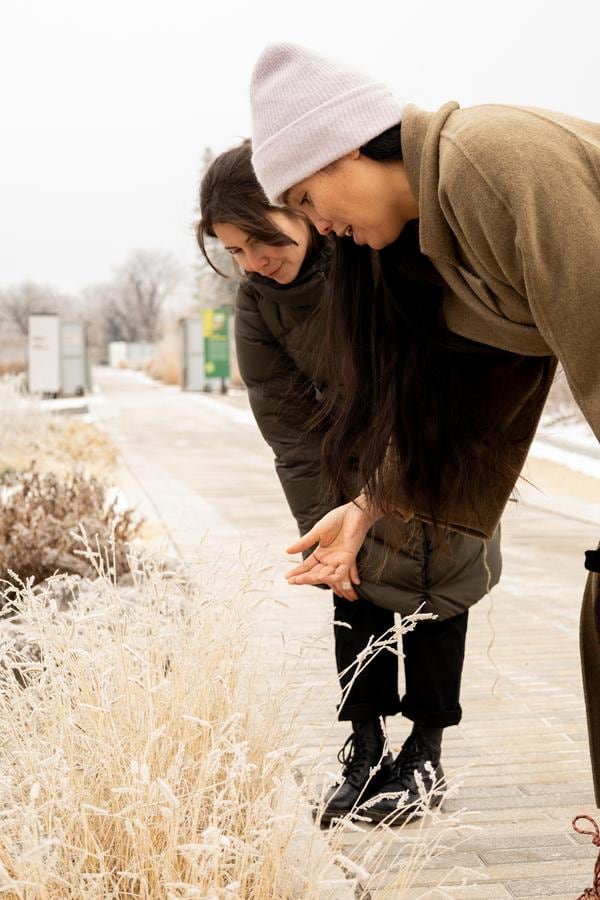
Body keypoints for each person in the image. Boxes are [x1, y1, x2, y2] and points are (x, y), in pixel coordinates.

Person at [248, 43, 600, 802]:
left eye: (306, 199)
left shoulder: (487, 160)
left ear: (343, 149)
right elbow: (467, 407)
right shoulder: (440, 254)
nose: (317, 225)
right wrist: (370, 506)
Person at [197, 140, 503, 824]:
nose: (254, 261)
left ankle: (424, 754)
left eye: (260, 238)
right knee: (353, 586)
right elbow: (290, 431)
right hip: (344, 464)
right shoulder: (259, 306)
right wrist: (329, 527)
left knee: (437, 588)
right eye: (234, 250)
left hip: (437, 445)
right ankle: (364, 749)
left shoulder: (373, 248)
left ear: (298, 205)